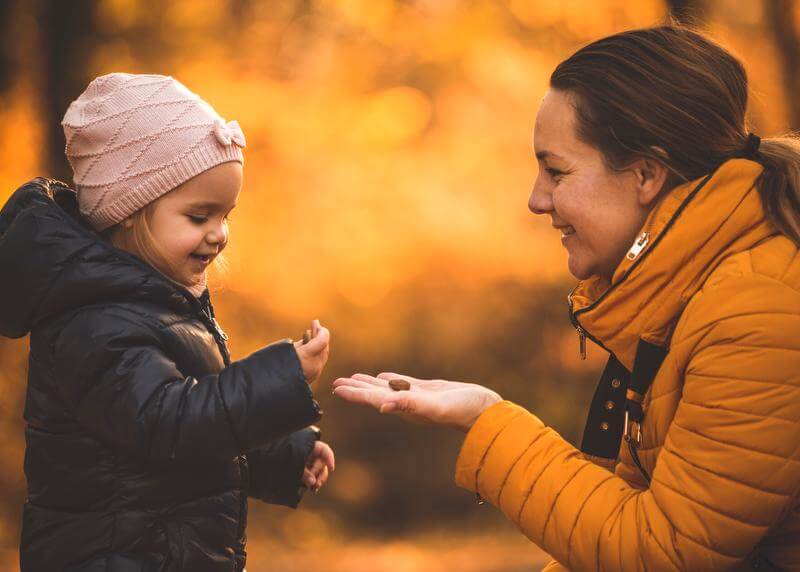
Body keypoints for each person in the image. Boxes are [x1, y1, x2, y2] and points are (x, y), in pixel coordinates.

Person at [333, 25, 800, 570]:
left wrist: (489, 421)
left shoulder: (757, 310)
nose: (536, 200)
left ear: (646, 174)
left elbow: (662, 553)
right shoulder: (689, 292)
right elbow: (628, 514)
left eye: (556, 171)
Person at [0, 73, 335, 571]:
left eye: (226, 216)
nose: (219, 234)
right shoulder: (94, 322)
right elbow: (171, 424)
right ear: (130, 211)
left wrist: (280, 454)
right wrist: (278, 379)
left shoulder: (154, 303)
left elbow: (193, 434)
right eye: (199, 217)